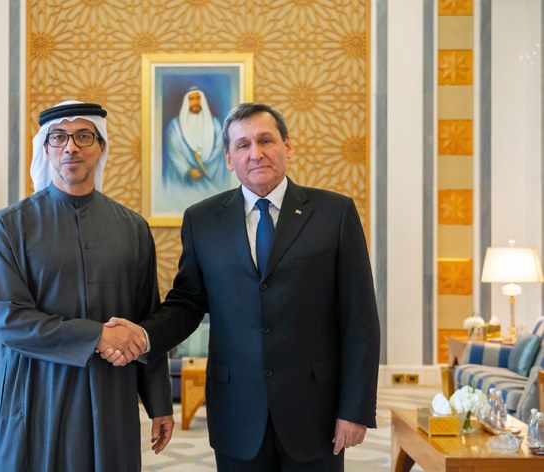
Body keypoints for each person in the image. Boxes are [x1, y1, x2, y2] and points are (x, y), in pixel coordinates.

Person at [106, 102, 380, 471]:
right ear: (229, 158)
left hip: (315, 409)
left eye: (266, 140)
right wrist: (142, 335)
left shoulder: (335, 213)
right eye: (243, 145)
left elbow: (360, 319)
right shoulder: (202, 220)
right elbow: (187, 303)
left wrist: (355, 409)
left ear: (287, 146)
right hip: (236, 411)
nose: (256, 153)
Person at [0, 101, 174, 471]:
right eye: (59, 137)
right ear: (46, 148)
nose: (71, 147)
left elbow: (146, 318)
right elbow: (10, 320)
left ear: (101, 147)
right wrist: (98, 336)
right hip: (36, 394)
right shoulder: (7, 227)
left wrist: (159, 402)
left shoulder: (133, 228)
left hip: (110, 393)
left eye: (84, 136)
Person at [163, 87, 228, 192]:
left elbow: (218, 150)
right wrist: (187, 171)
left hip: (209, 178)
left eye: (198, 98)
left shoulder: (215, 124)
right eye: (191, 99)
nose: (195, 102)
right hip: (184, 183)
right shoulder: (175, 126)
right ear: (187, 102)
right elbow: (174, 153)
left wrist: (205, 167)